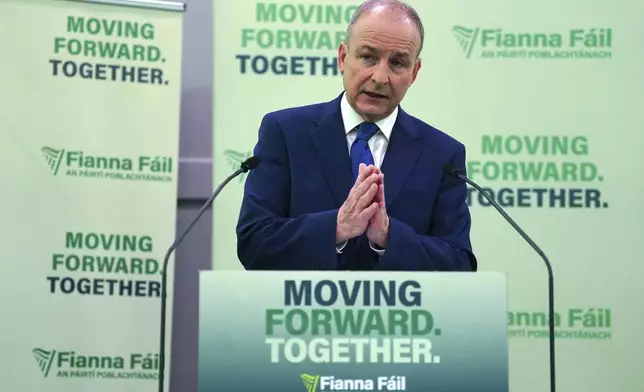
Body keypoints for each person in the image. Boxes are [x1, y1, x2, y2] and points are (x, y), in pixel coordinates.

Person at [235, 0, 477, 271]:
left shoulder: (443, 156)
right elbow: (253, 243)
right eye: (368, 57)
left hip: (398, 313)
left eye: (397, 63)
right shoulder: (285, 133)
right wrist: (336, 227)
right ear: (342, 57)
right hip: (303, 311)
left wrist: (387, 237)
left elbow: (459, 264)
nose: (380, 77)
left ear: (414, 72)